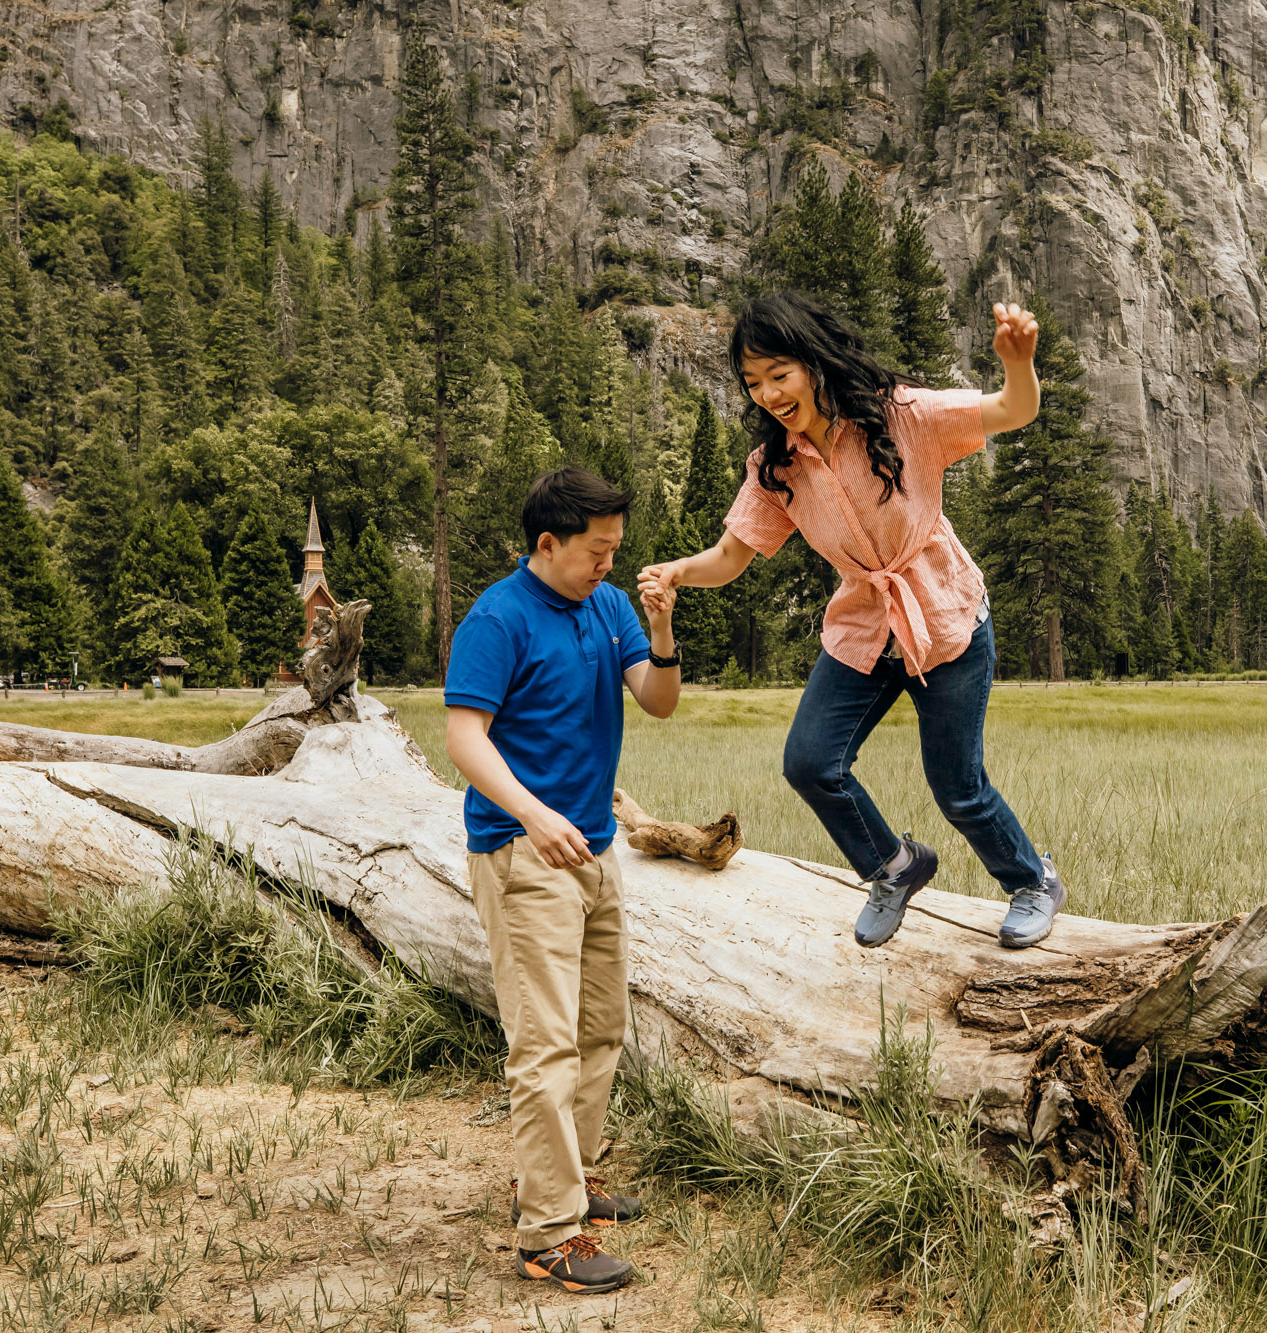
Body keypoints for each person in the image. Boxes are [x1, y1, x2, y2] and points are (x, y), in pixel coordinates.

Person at [638, 292, 1064, 950]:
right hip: (866, 627)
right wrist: (675, 572)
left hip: (945, 618)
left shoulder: (901, 414)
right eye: (753, 383)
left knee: (958, 786)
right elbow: (730, 555)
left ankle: (1032, 881)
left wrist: (1019, 362)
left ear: (813, 363)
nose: (769, 394)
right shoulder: (777, 466)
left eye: (780, 374)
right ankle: (895, 866)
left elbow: (1015, 409)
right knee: (810, 762)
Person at [444, 466, 681, 1295]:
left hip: (593, 851)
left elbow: (657, 701)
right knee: (544, 1041)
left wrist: (661, 631)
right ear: (548, 543)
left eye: (617, 548)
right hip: (523, 850)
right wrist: (533, 815)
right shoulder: (497, 617)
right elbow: (465, 738)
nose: (609, 563)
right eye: (597, 550)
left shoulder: (610, 607)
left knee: (601, 1025)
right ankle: (549, 1231)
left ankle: (565, 1181)